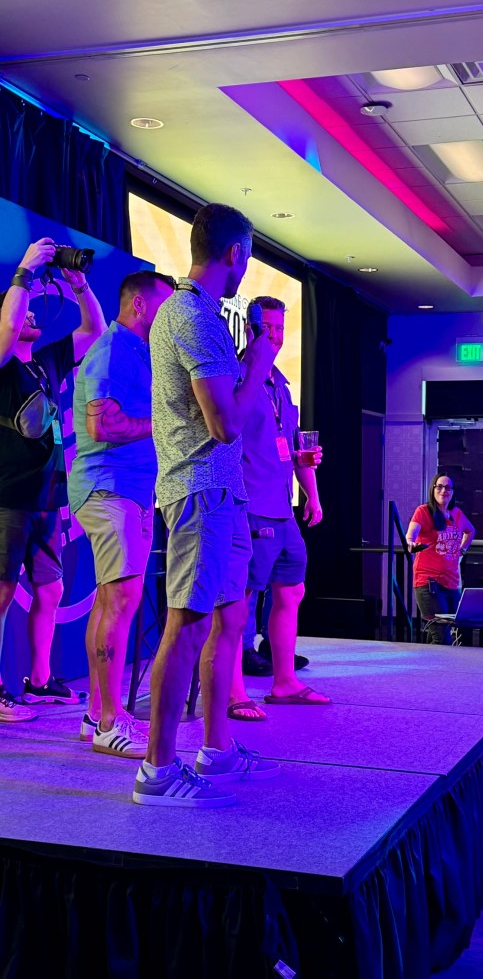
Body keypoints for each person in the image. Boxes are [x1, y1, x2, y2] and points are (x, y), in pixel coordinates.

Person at [133, 203, 280, 809]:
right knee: (187, 624)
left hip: (223, 491)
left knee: (228, 620)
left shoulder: (199, 314)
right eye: (248, 258)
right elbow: (224, 425)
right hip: (200, 489)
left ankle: (216, 750)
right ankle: (157, 770)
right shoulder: (191, 314)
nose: (245, 270)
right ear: (234, 253)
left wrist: (246, 366)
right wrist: (259, 364)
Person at [0, 238, 106, 723]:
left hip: (47, 498)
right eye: (21, 309)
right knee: (2, 593)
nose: (30, 314)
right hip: (8, 496)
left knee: (49, 591)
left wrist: (80, 285)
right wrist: (25, 271)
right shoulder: (3, 363)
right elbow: (7, 327)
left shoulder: (45, 361)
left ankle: (39, 681)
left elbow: (95, 330)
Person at [68, 270, 175, 756]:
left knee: (111, 600)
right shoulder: (113, 349)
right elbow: (103, 426)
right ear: (139, 306)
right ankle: (111, 722)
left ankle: (96, 714)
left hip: (128, 490)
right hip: (108, 488)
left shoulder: (137, 351)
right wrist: (164, 422)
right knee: (121, 600)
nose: (170, 317)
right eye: (164, 307)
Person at [227, 296, 330, 721]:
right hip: (250, 505)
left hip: (283, 509)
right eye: (267, 327)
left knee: (292, 590)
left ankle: (284, 682)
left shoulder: (282, 385)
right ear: (250, 329)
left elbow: (292, 447)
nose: (275, 335)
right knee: (241, 599)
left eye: (280, 328)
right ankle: (233, 691)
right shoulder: (236, 376)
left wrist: (312, 494)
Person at [406, 473, 475, 645]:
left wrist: (462, 550)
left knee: (450, 633)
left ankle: (430, 661)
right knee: (441, 637)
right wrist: (411, 543)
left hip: (452, 582)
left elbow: (470, 531)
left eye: (448, 488)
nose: (444, 491)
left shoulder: (456, 513)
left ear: (452, 492)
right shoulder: (424, 511)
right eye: (440, 487)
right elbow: (411, 534)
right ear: (433, 489)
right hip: (429, 583)